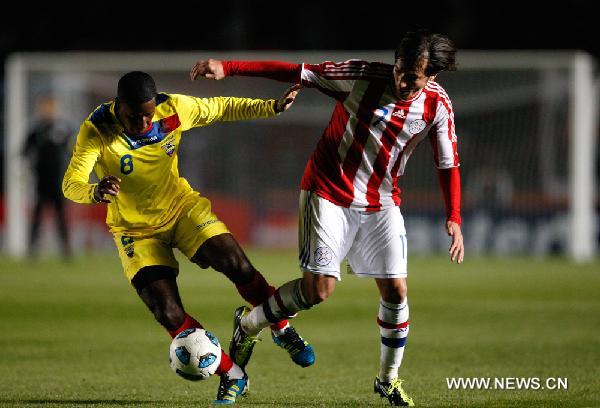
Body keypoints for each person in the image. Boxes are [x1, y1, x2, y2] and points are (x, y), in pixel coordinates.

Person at [191, 29, 465, 406]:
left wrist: (454, 217)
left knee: (397, 291)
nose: (402, 80)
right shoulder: (361, 77)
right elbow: (297, 72)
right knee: (318, 291)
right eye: (400, 69)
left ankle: (388, 379)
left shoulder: (438, 105)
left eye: (412, 77)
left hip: (382, 203)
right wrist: (229, 67)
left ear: (431, 76)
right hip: (328, 192)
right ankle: (249, 323)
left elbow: (448, 164)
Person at [62, 71, 315, 405]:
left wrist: (271, 107)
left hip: (181, 208)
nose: (142, 121)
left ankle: (281, 328)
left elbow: (221, 107)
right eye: (133, 115)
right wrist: (94, 192)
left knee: (236, 263)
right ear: (118, 107)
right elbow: (71, 183)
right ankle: (232, 373)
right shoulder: (97, 129)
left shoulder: (173, 109)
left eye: (147, 114)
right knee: (166, 311)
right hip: (135, 232)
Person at [23, 96, 73, 259]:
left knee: (61, 216)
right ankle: (32, 250)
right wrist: (27, 169)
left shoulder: (64, 128)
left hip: (59, 180)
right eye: (44, 108)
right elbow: (24, 151)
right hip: (41, 181)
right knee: (37, 217)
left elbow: (76, 150)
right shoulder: (36, 130)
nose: (47, 111)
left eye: (50, 108)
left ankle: (66, 250)